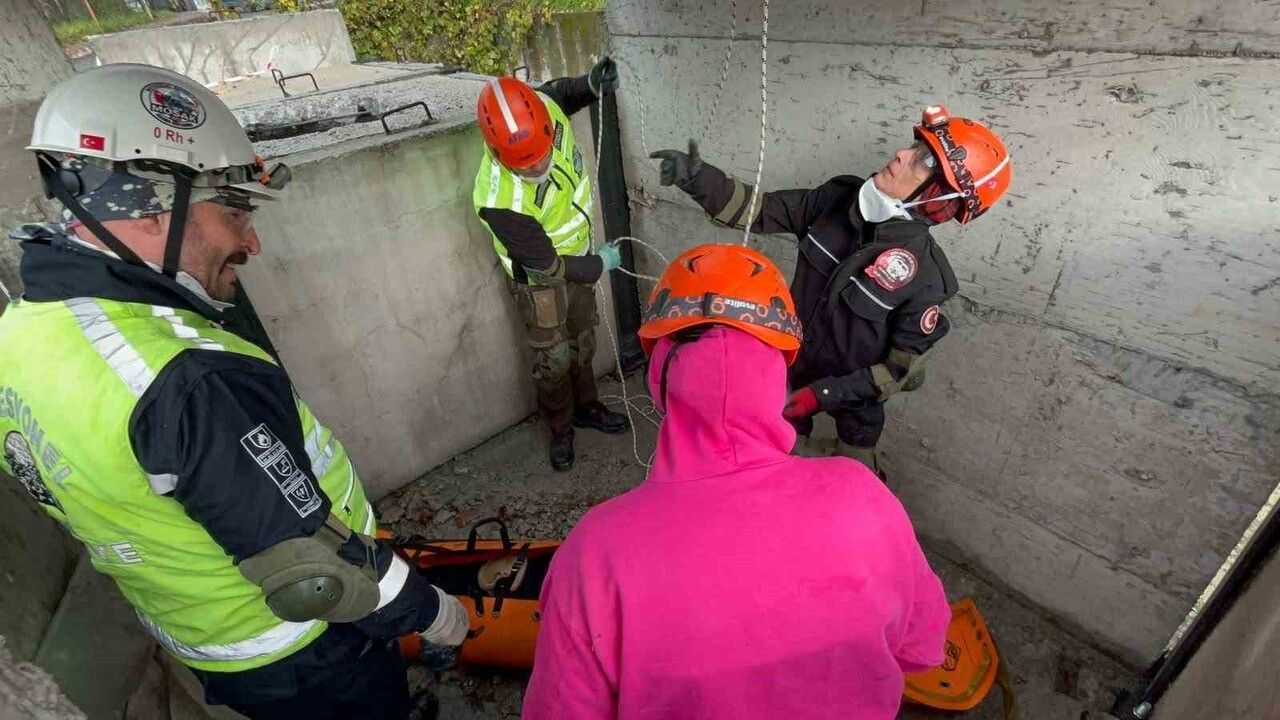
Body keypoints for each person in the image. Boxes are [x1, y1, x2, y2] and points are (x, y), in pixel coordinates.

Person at [0, 64, 468, 720]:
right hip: (311, 650)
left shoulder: (19, 336)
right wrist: (436, 616)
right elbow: (314, 573)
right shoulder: (185, 378)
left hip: (205, 640)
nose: (250, 241)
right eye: (233, 209)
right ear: (151, 199)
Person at [522, 244, 951, 720]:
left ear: (659, 379)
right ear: (779, 367)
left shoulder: (594, 554)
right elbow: (923, 648)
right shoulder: (865, 494)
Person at [650, 106, 1012, 471]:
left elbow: (896, 371)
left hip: (857, 397)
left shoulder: (928, 279)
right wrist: (696, 177)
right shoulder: (834, 200)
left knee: (855, 476)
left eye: (924, 162)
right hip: (791, 373)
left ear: (939, 199)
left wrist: (821, 395)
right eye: (912, 147)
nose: (901, 154)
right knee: (778, 465)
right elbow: (757, 210)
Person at [473, 59, 630, 472]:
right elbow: (548, 267)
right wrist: (599, 265)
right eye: (523, 166)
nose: (537, 169)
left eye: (540, 158)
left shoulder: (545, 107)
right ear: (496, 152)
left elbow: (562, 93)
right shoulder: (498, 202)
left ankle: (588, 407)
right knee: (553, 358)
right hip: (541, 280)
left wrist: (590, 84)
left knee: (583, 338)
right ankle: (561, 430)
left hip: (577, 258)